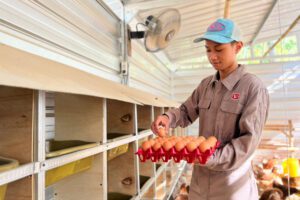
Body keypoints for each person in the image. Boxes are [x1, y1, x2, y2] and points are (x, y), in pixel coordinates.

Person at [151, 18, 270, 200]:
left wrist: (211, 157)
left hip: (231, 186)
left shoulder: (252, 88)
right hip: (200, 182)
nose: (212, 56)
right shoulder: (206, 85)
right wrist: (168, 118)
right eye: (208, 49)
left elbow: (248, 142)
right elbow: (185, 111)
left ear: (237, 47)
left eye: (219, 49)